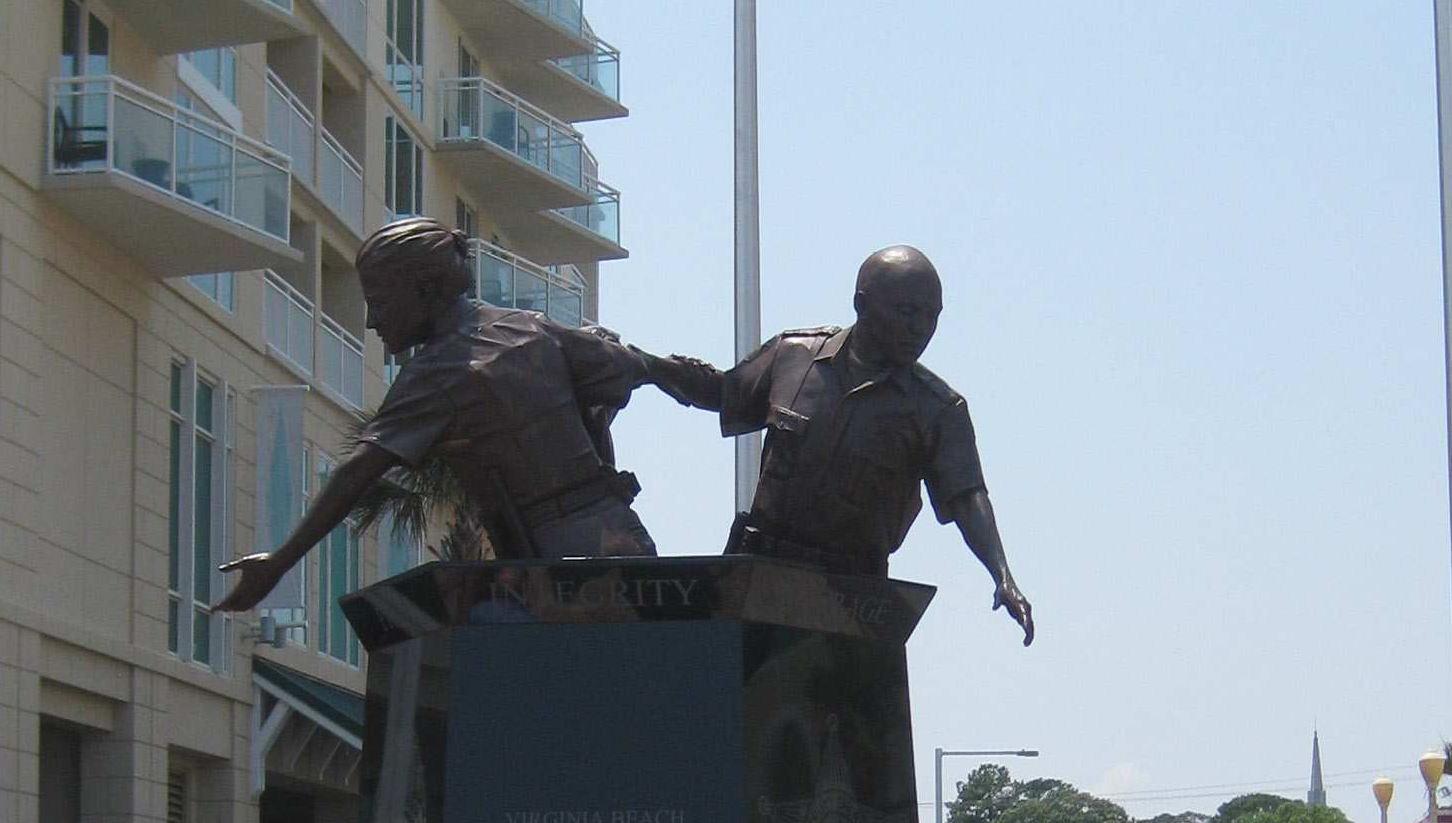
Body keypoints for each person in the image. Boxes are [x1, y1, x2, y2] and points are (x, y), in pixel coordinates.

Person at [216, 218, 716, 610]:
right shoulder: (534, 329)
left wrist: (280, 562)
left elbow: (355, 474)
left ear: (424, 291)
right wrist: (719, 389)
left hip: (557, 567)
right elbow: (641, 367)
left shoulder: (438, 371)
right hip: (624, 541)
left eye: (379, 302)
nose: (371, 322)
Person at [699, 244, 1036, 641]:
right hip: (758, 579)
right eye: (907, 312)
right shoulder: (794, 357)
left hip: (851, 598)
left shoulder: (937, 409)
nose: (920, 328)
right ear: (862, 304)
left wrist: (1002, 575)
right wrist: (645, 367)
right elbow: (723, 392)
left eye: (932, 316)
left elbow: (967, 495)